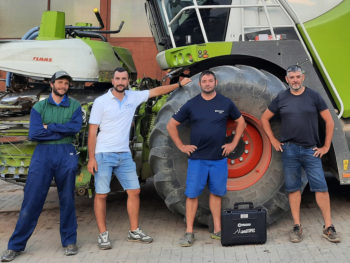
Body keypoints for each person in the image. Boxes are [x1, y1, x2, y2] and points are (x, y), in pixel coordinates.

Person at [87, 67, 191, 249]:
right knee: (101, 195)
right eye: (117, 78)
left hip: (124, 154)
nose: (120, 82)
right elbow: (92, 132)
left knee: (134, 191)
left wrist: (178, 84)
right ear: (112, 81)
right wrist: (91, 158)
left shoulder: (132, 97)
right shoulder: (101, 102)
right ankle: (103, 234)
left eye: (123, 79)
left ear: (127, 81)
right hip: (103, 154)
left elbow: (156, 91)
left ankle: (134, 230)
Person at [1, 71, 83, 262]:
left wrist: (50, 127)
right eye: (60, 82)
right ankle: (15, 246)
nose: (63, 86)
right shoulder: (39, 107)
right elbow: (35, 134)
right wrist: (58, 130)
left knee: (67, 200)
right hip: (43, 154)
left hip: (66, 153)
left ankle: (69, 241)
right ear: (52, 83)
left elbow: (75, 128)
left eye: (66, 83)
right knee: (32, 200)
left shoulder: (75, 106)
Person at [260, 65, 340, 243]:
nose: (295, 80)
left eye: (298, 76)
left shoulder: (314, 96)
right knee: (293, 188)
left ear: (303, 78)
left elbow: (329, 121)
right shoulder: (281, 97)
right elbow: (264, 118)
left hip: (311, 150)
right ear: (287, 79)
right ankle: (297, 226)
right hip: (289, 150)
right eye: (292, 77)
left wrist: (326, 146)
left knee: (321, 187)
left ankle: (328, 226)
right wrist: (273, 140)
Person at [166, 70, 246, 247]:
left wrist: (233, 144)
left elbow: (241, 122)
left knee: (216, 194)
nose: (207, 83)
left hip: (218, 159)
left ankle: (217, 230)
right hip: (198, 159)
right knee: (192, 195)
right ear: (200, 84)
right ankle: (189, 232)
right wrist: (181, 146)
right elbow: (171, 125)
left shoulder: (225, 103)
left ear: (215, 82)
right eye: (204, 81)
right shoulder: (191, 104)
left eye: (210, 80)